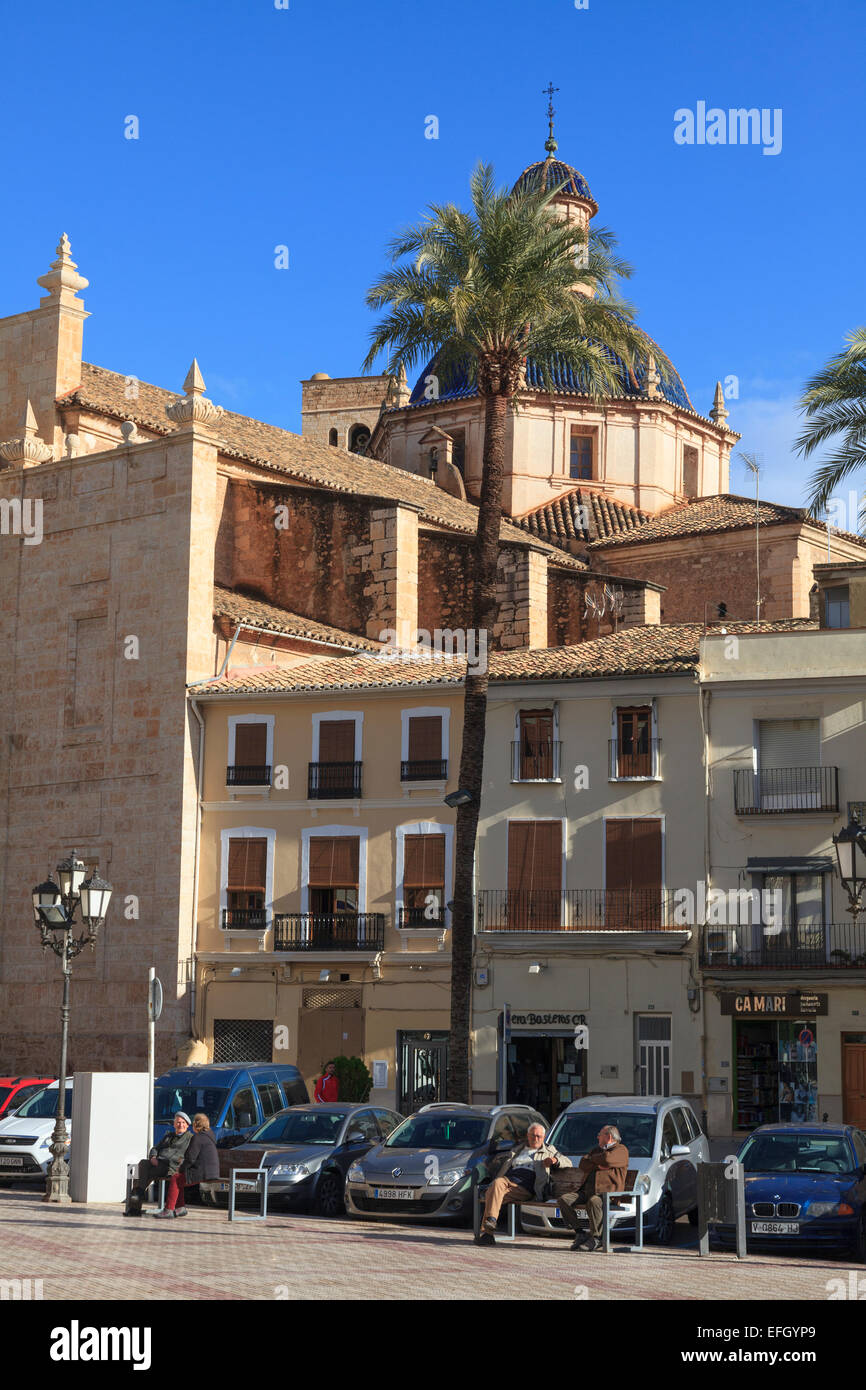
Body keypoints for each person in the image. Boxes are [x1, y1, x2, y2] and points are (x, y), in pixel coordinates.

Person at [477, 1122, 571, 1246]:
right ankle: (489, 1231)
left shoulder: (549, 1150)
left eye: (539, 1136)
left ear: (543, 1137)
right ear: (528, 1135)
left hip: (525, 1188)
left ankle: (488, 1230)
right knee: (494, 1190)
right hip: (507, 1184)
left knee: (493, 1190)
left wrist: (555, 1160)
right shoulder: (518, 1149)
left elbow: (568, 1162)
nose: (535, 1138)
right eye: (533, 1135)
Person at [558, 1124, 629, 1252]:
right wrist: (596, 1163)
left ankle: (596, 1238)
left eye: (599, 1135)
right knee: (564, 1200)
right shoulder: (597, 1150)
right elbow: (583, 1164)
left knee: (594, 1201)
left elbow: (607, 1159)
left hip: (606, 1194)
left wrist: (593, 1160)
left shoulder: (621, 1150)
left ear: (608, 1137)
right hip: (587, 1191)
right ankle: (580, 1233)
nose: (597, 1137)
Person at [124, 1112, 193, 1218]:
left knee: (142, 1175)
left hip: (171, 1166)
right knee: (142, 1164)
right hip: (158, 1163)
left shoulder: (190, 1138)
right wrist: (153, 1157)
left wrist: (178, 1163)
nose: (180, 1125)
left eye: (183, 1123)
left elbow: (190, 1156)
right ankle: (137, 1197)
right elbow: (155, 1148)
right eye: (178, 1122)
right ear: (174, 1124)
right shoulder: (168, 1136)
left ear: (187, 1125)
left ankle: (135, 1205)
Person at [166, 1112, 220, 1218]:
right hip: (211, 1171)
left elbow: (190, 1158)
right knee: (179, 1179)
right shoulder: (209, 1136)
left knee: (176, 1178)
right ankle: (180, 1208)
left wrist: (181, 1169)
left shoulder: (198, 1138)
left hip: (204, 1172)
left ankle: (169, 1209)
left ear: (196, 1125)